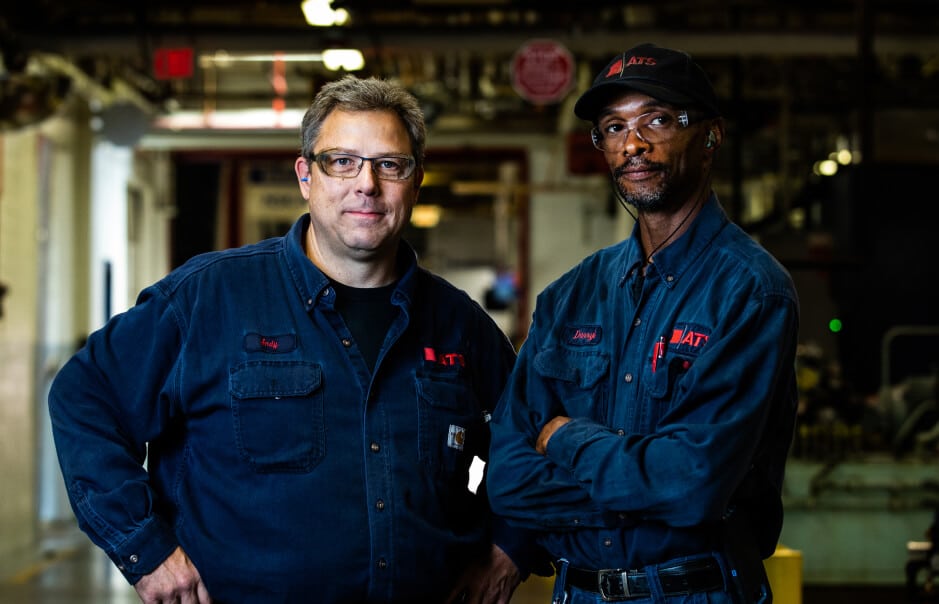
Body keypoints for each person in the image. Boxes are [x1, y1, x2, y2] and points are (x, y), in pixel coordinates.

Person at [48, 74, 539, 604]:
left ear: (415, 182)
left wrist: (509, 549)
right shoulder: (207, 300)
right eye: (342, 161)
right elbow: (84, 398)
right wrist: (147, 552)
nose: (366, 185)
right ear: (306, 175)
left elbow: (530, 439)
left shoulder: (459, 324)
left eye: (389, 165)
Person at [486, 43, 800, 603]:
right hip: (578, 592)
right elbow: (509, 481)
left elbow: (693, 483)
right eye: (612, 127)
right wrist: (645, 483)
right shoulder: (570, 295)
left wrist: (565, 438)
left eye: (656, 120)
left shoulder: (750, 293)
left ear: (710, 136)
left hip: (694, 592)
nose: (633, 144)